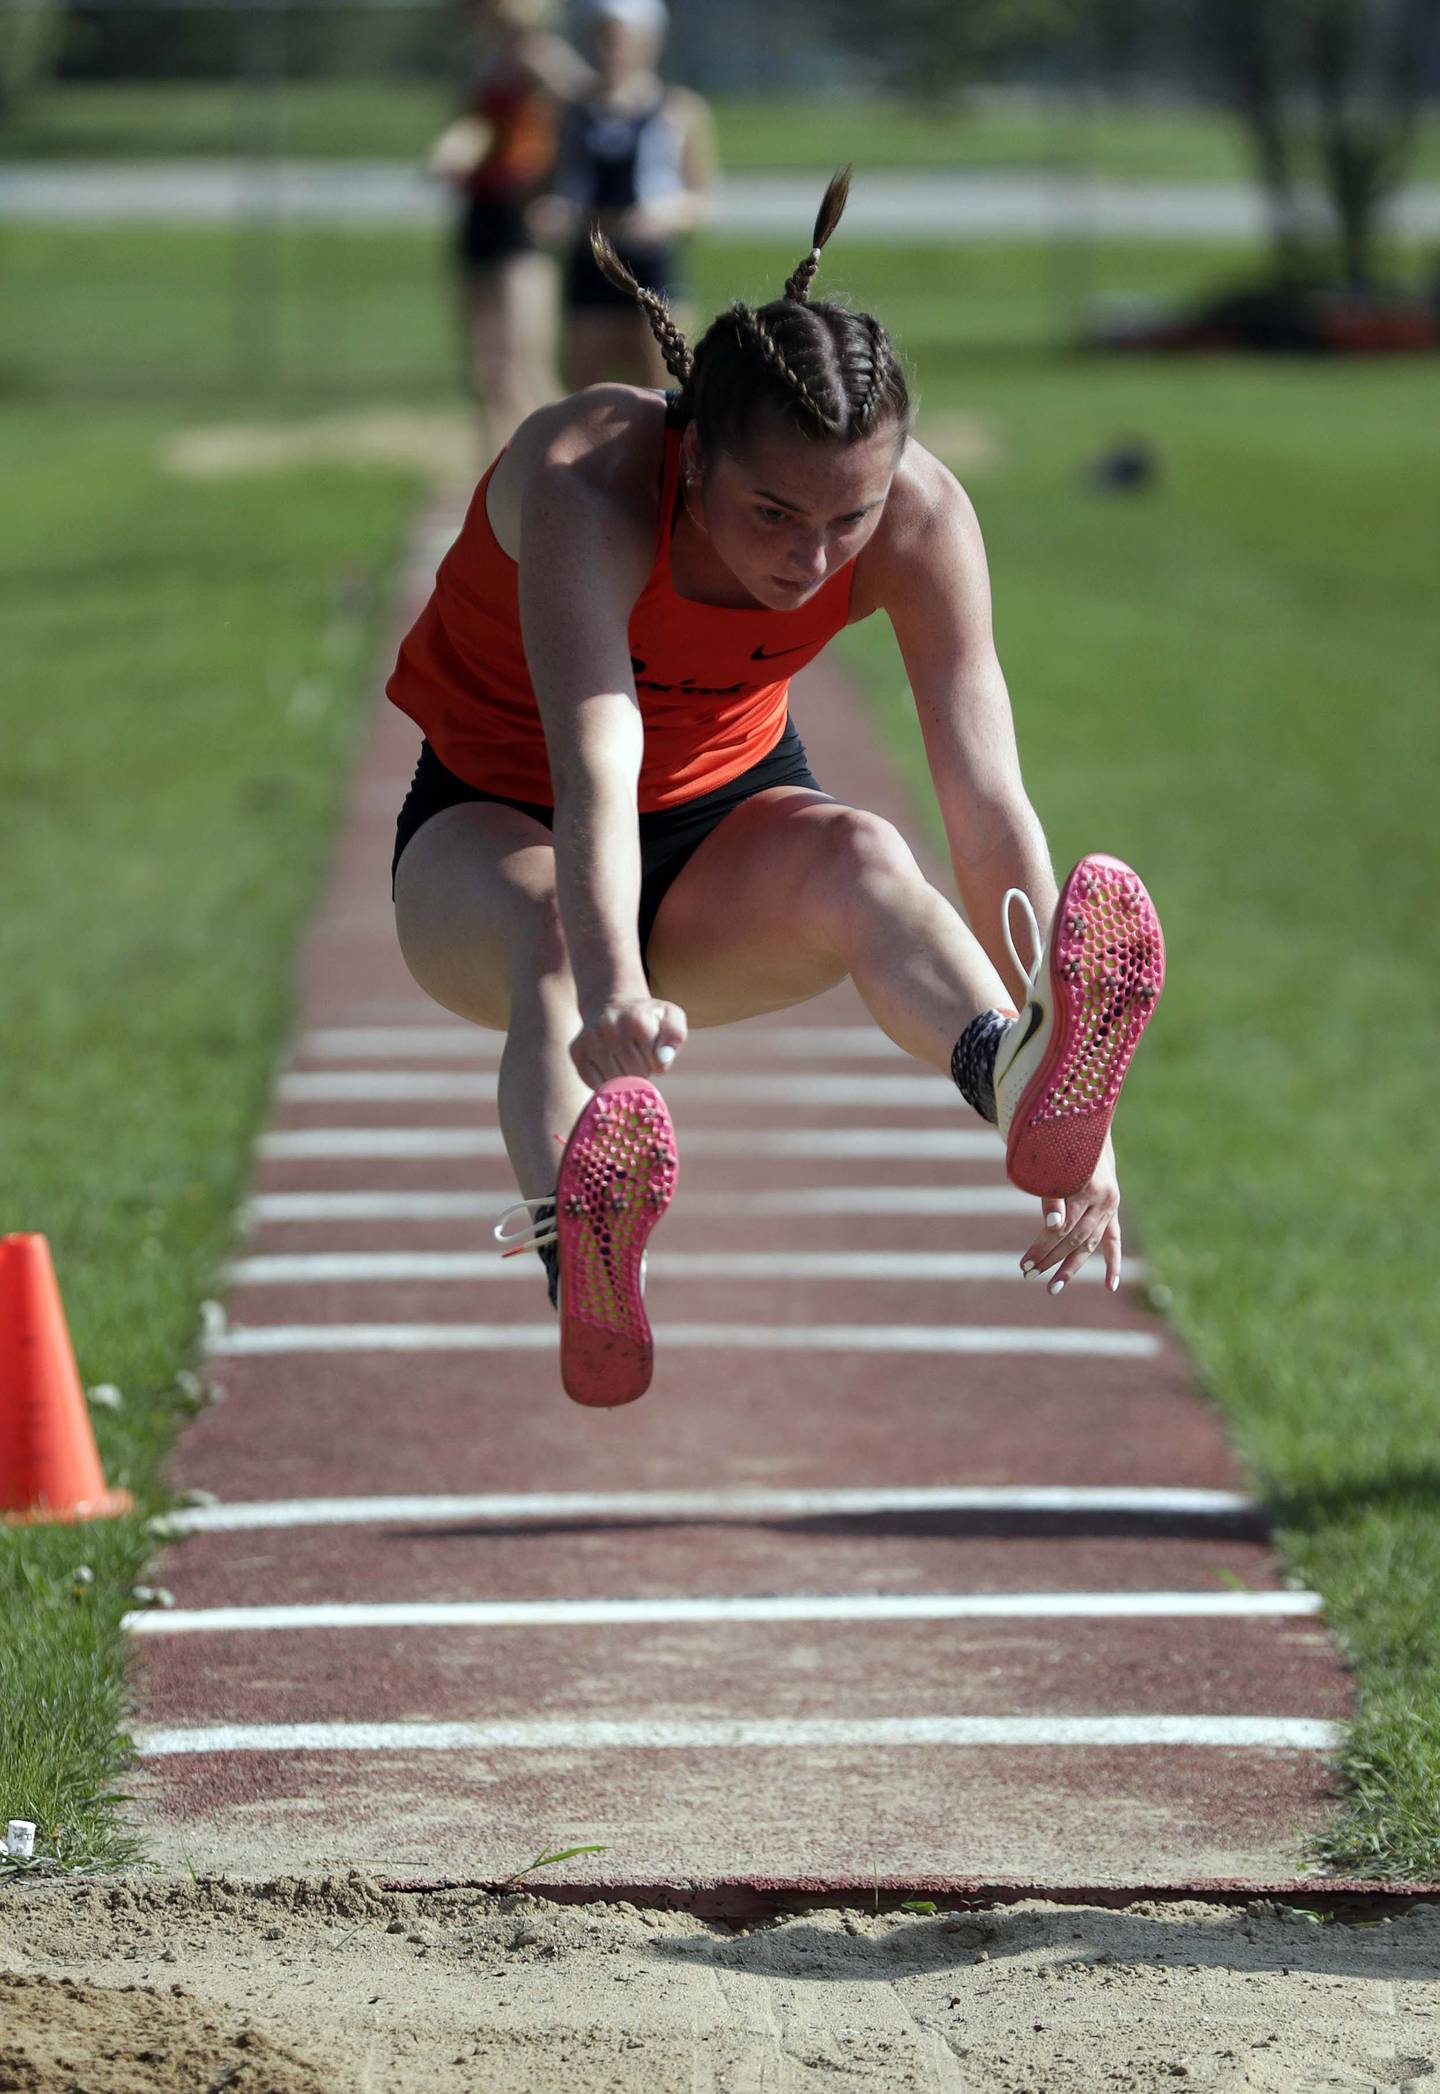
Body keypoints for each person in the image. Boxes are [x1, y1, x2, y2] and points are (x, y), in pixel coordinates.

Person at [386, 170, 1166, 1408]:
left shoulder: (920, 519)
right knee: (547, 935)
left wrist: (1081, 1098)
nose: (811, 560)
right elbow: (597, 764)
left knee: (865, 855)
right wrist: (614, 995)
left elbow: (983, 795)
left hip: (725, 841)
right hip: (493, 825)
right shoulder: (590, 480)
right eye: (773, 513)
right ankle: (579, 1255)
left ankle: (1019, 1077)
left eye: (846, 520)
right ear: (691, 461)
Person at [427, 0, 591, 457]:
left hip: (523, 214)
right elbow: (479, 128)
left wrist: (559, 189)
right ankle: (491, 474)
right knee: (488, 369)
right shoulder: (482, 58)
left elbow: (586, 111)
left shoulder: (541, 56)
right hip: (483, 210)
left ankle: (560, 466)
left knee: (525, 362)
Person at [534, 0, 716, 390]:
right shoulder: (569, 112)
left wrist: (666, 216)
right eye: (602, 36)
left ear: (648, 42)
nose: (610, 48)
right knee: (586, 395)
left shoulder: (678, 110)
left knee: (665, 390)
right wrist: (551, 214)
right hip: (590, 263)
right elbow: (552, 186)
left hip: (651, 265)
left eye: (619, 37)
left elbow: (702, 198)